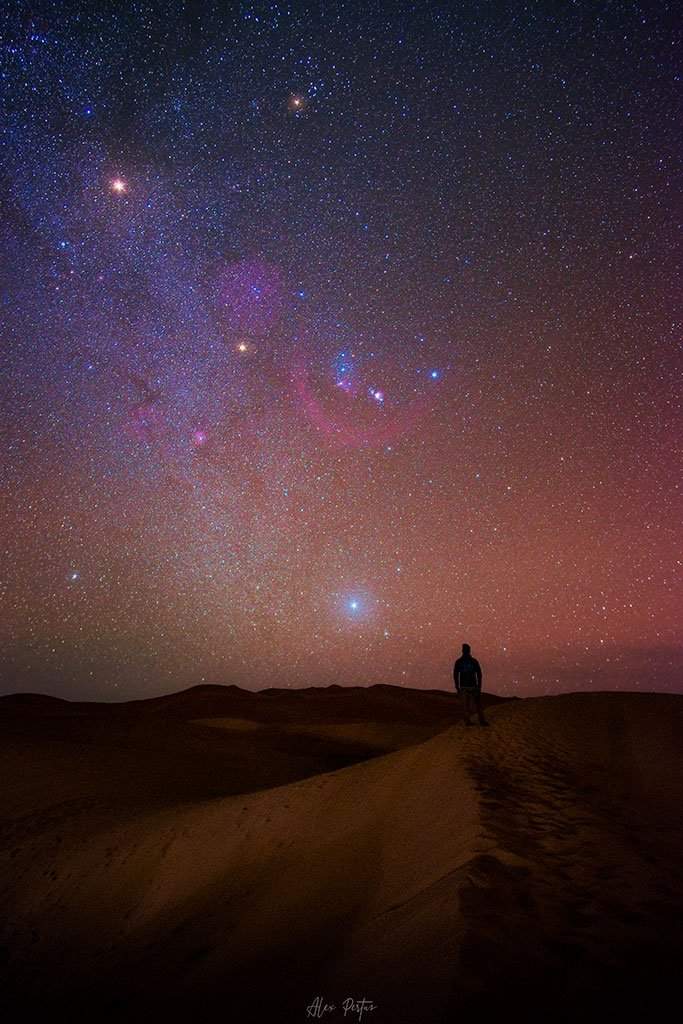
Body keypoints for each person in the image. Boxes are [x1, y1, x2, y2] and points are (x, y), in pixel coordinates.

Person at [453, 643, 489, 726]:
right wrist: (479, 686)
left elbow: (455, 674)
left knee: (469, 705)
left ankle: (472, 721)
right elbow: (479, 674)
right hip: (470, 686)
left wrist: (457, 686)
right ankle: (479, 721)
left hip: (468, 686)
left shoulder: (460, 661)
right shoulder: (472, 661)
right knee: (474, 705)